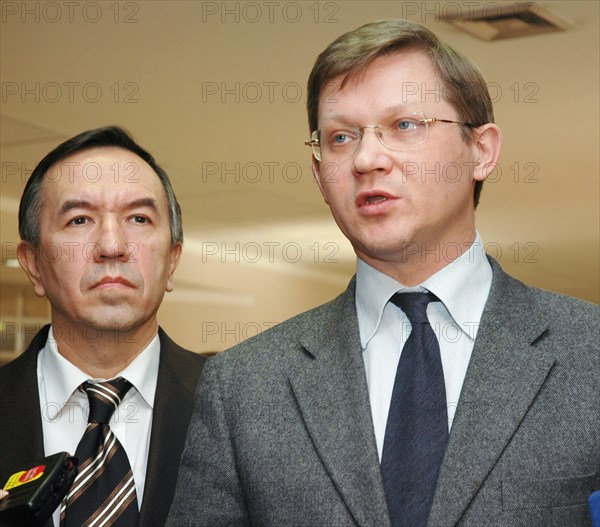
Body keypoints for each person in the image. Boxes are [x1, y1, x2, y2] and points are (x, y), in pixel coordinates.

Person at [166, 19, 599, 527]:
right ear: (319, 174)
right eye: (341, 137)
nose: (368, 159)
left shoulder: (588, 354)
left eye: (405, 126)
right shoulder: (243, 389)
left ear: (481, 150)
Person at [0, 126, 206, 527]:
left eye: (139, 218)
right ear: (33, 265)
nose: (112, 246)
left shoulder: (242, 407)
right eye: (79, 220)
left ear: (172, 260)